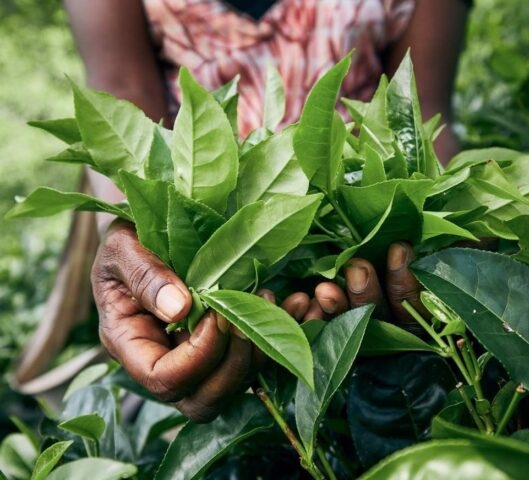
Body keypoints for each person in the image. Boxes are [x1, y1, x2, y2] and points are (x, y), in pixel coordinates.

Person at [63, 0, 471, 422]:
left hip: (350, 232)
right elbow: (126, 102)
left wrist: (436, 243)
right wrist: (136, 245)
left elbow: (418, 114)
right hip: (217, 247)